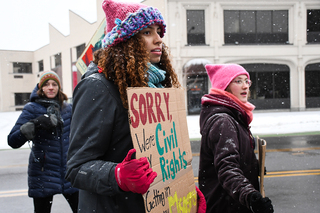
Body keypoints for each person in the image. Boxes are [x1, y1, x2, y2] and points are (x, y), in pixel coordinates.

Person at [65, 0, 206, 212]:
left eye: (159, 31)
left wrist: (182, 194)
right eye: (148, 32)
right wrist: (118, 175)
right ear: (126, 41)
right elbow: (76, 168)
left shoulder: (154, 86)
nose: (159, 39)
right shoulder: (98, 87)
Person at [198, 64, 274, 213]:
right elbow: (227, 167)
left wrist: (251, 166)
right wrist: (251, 197)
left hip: (232, 203)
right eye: (238, 81)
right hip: (225, 205)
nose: (245, 86)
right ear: (224, 86)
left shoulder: (235, 115)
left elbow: (232, 157)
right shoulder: (223, 121)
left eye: (247, 81)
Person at [7, 70, 79, 213]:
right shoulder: (32, 109)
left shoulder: (68, 109)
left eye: (54, 84)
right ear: (41, 88)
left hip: (69, 172)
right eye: (46, 84)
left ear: (59, 88)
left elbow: (81, 135)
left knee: (81, 210)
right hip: (43, 173)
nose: (51, 87)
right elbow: (13, 140)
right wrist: (35, 124)